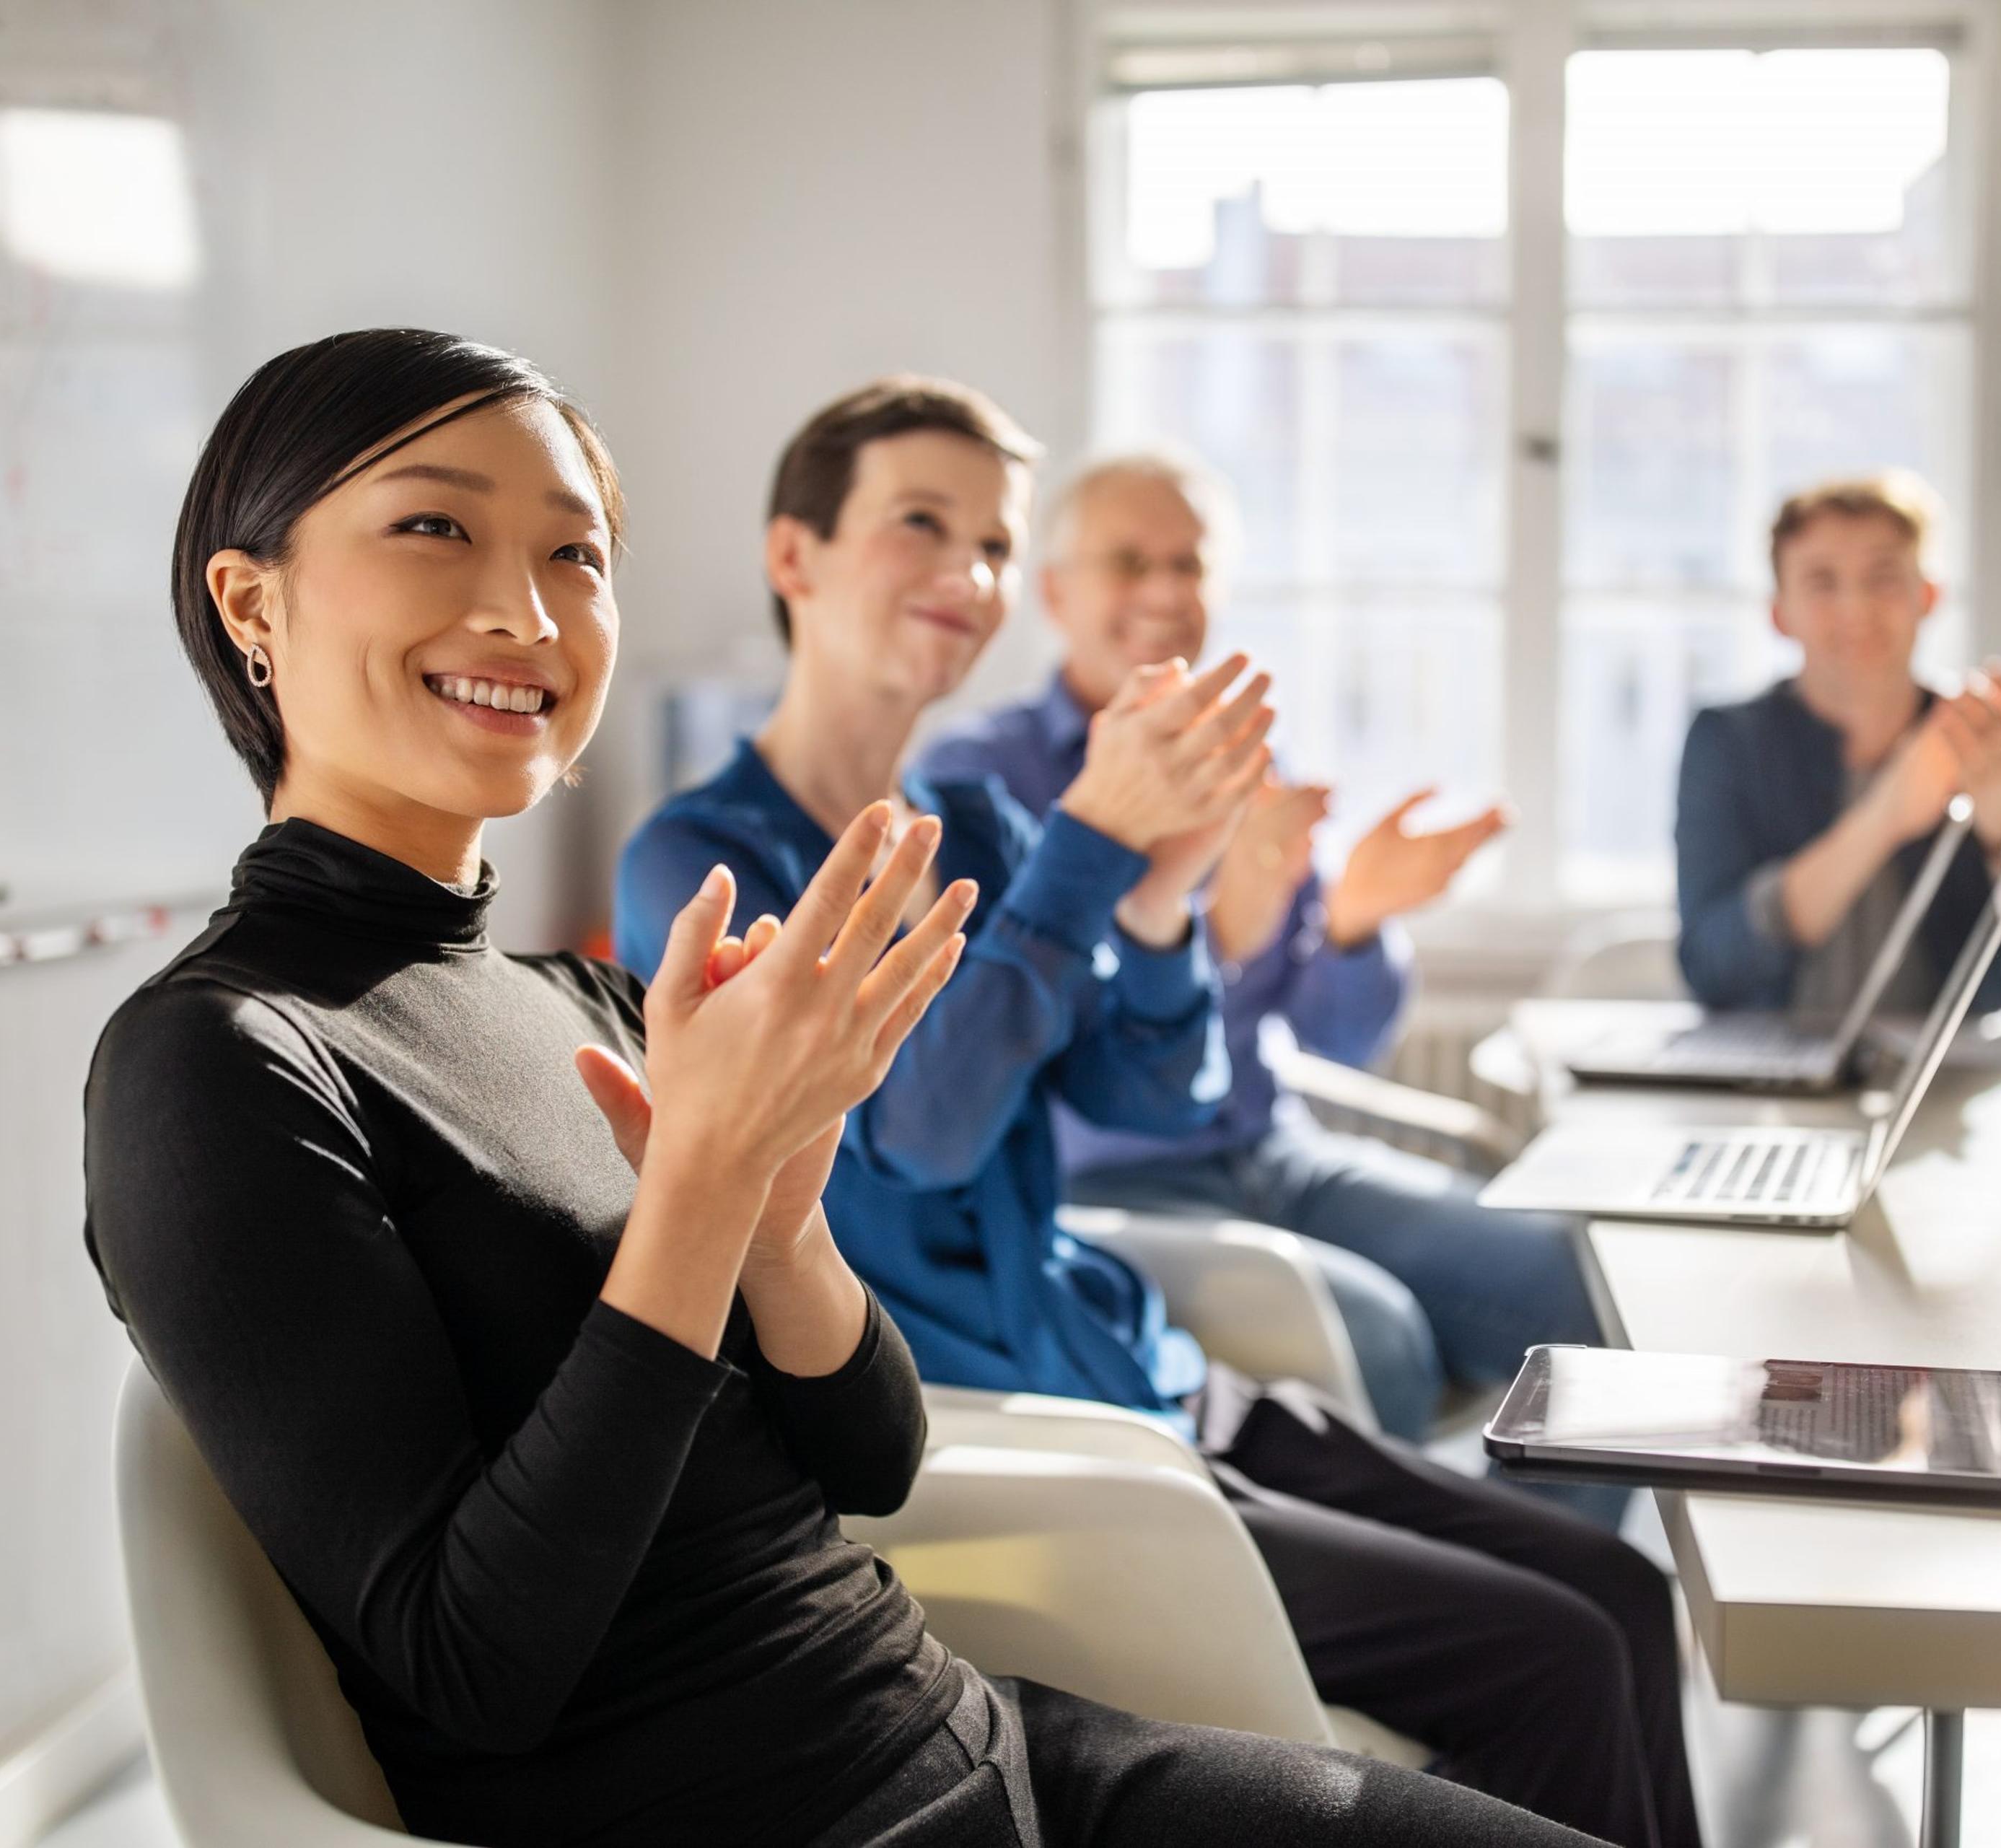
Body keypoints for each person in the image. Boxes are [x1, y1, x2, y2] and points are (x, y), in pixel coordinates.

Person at [84, 330, 1605, 1848]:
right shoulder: (221, 1056)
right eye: (435, 525)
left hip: (984, 1733)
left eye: (578, 551)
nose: (528, 607)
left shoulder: (587, 995)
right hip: (812, 1808)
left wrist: (781, 1213)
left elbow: (874, 1456)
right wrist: (700, 1188)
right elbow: (481, 1663)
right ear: (251, 600)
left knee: (1582, 1664)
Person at [617, 378, 1702, 1848]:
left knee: (1626, 1593)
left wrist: (1169, 887)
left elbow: (1153, 1087)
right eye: (921, 524)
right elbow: (909, 1143)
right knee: (1558, 1651)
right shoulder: (707, 857)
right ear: (794, 554)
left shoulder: (986, 830)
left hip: (1144, 1367)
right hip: (1022, 1435)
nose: (968, 574)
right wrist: (1090, 855)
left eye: (992, 543)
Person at [918, 452, 1607, 1443]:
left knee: (1580, 1291)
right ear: (1057, 592)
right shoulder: (975, 777)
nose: (1165, 591)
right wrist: (1220, 939)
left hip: (1273, 1156)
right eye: (1130, 562)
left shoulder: (1247, 760)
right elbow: (1007, 1052)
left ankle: (1541, 1584)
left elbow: (1338, 1038)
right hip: (1102, 1184)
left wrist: (1360, 921)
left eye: (1189, 565)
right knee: (1384, 1346)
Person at [1676, 473, 2001, 1016]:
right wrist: (1888, 813)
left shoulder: (1993, 740)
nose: (1856, 609)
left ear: (1928, 596)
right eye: (1822, 582)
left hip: (1950, 1081)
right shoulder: (1727, 744)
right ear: (1779, 613)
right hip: (1768, 1078)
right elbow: (1712, 968)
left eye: (1883, 578)